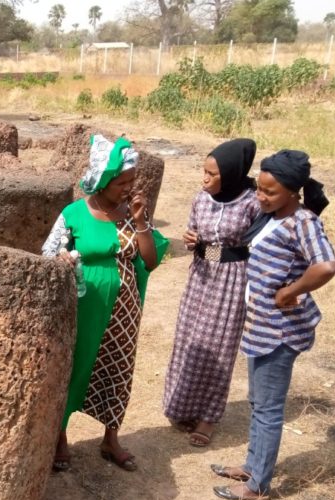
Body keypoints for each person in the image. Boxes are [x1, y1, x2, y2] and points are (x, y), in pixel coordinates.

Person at [212, 150, 335, 500]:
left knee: (268, 409)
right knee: (258, 402)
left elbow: (326, 266)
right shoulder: (272, 217)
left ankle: (257, 486)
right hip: (261, 326)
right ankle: (252, 466)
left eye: (270, 192)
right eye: (260, 189)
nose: (261, 197)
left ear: (293, 192)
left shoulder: (303, 222)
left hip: (280, 331)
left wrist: (290, 291)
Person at [41, 134, 169, 472]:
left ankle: (111, 439)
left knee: (118, 368)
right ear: (102, 180)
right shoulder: (74, 213)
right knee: (76, 366)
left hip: (124, 308)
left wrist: (140, 221)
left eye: (131, 181)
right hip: (84, 305)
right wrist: (63, 258)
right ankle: (60, 435)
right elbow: (48, 252)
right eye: (122, 182)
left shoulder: (132, 214)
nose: (129, 188)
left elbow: (150, 261)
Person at [163, 139, 262, 447]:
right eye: (203, 172)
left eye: (212, 174)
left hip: (232, 280)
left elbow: (256, 246)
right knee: (189, 341)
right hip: (200, 277)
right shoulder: (200, 199)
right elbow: (194, 235)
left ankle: (208, 417)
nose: (204, 179)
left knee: (220, 346)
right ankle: (182, 406)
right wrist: (192, 240)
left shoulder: (251, 203)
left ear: (231, 174)